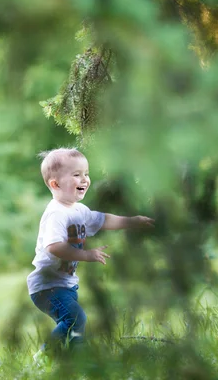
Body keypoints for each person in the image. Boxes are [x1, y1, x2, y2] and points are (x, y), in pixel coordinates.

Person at [27, 147, 154, 359]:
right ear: (55, 184)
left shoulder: (78, 210)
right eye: (76, 175)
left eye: (86, 173)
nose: (85, 179)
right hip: (47, 285)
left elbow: (104, 219)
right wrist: (87, 255)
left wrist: (132, 221)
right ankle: (44, 356)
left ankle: (75, 358)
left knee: (73, 321)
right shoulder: (57, 213)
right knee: (76, 318)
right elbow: (54, 246)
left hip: (65, 284)